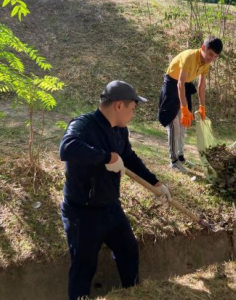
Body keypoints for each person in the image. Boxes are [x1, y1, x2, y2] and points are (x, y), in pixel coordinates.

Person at [59, 80, 172, 300]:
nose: (132, 114)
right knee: (84, 267)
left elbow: (128, 157)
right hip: (83, 213)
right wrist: (106, 157)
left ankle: (132, 294)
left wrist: (156, 183)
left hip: (111, 208)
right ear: (119, 105)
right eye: (132, 109)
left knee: (128, 251)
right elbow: (67, 148)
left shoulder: (120, 131)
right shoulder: (84, 125)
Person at [158, 36, 223, 173]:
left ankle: (181, 157)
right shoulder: (189, 57)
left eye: (215, 57)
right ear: (203, 48)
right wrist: (183, 107)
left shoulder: (206, 62)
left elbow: (201, 85)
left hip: (185, 86)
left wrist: (202, 106)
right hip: (172, 85)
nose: (211, 58)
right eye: (210, 54)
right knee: (174, 124)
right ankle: (173, 161)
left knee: (184, 124)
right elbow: (179, 83)